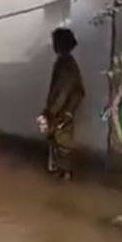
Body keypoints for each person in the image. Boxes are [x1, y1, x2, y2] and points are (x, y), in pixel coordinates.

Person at [37, 28, 85, 180]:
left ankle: (64, 175)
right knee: (59, 143)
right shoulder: (66, 62)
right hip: (64, 111)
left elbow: (62, 91)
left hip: (62, 112)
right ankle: (62, 174)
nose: (53, 44)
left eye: (55, 41)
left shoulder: (65, 64)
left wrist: (51, 111)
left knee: (62, 143)